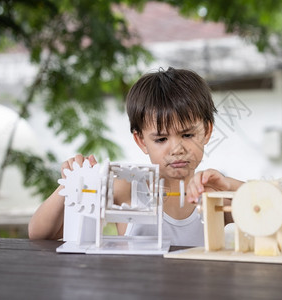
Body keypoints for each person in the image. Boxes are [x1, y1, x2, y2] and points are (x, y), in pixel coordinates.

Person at [28, 67, 243, 246]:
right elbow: (40, 234)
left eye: (187, 135)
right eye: (161, 139)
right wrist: (71, 183)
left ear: (207, 132)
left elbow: (273, 208)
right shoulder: (126, 189)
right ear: (141, 141)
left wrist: (228, 185)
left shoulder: (215, 196)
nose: (177, 149)